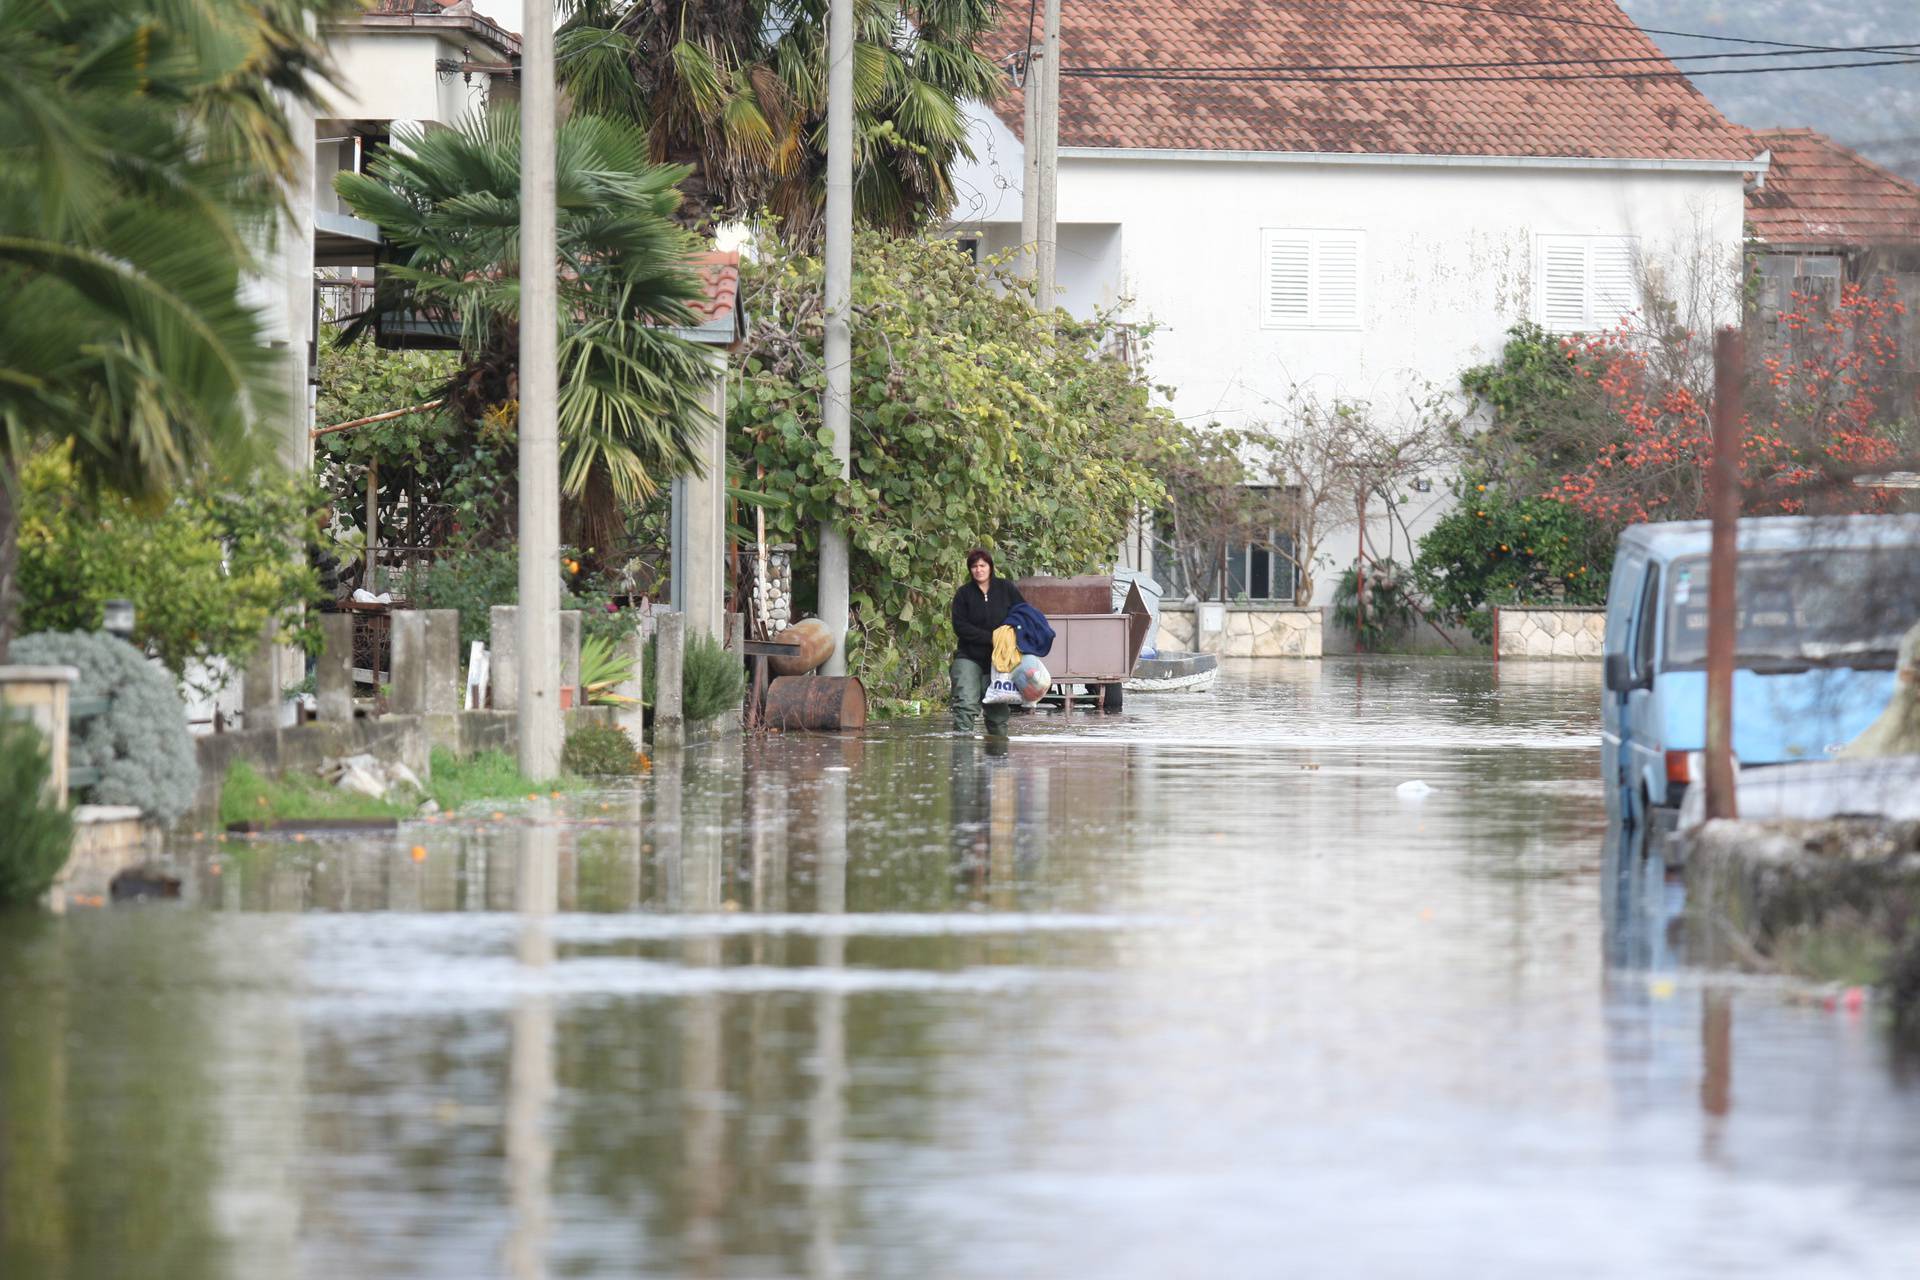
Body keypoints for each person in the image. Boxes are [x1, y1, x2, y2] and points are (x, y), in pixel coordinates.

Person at [950, 547, 1025, 735]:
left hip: (999, 660)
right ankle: (962, 754)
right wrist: (991, 637)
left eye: (982, 565)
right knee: (965, 704)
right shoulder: (963, 594)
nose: (979, 570)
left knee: (998, 715)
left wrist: (1009, 636)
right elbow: (960, 626)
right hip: (969, 657)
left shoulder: (1006, 588)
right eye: (974, 566)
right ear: (970, 570)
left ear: (990, 567)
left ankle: (998, 757)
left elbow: (1022, 614)